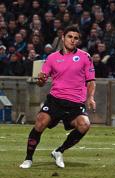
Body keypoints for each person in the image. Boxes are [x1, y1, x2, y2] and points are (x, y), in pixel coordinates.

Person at [19, 26, 96, 169]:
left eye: (76, 38)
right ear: (63, 37)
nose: (72, 40)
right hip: (55, 101)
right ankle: (28, 159)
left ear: (78, 41)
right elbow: (41, 82)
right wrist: (40, 80)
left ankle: (59, 151)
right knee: (40, 122)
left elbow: (91, 81)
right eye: (70, 37)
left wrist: (90, 97)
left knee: (85, 124)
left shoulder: (85, 57)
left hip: (76, 103)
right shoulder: (52, 58)